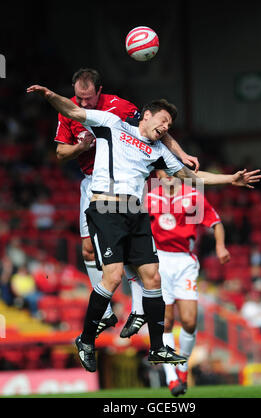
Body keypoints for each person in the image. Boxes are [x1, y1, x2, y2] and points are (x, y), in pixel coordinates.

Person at [26, 83, 261, 373]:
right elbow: (74, 110)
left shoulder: (159, 150)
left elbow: (190, 175)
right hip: (106, 208)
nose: (165, 127)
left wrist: (231, 180)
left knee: (152, 276)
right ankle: (86, 340)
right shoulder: (114, 124)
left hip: (135, 212)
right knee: (112, 277)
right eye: (162, 120)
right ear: (146, 115)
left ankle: (158, 347)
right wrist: (50, 97)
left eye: (169, 125)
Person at [53, 68, 200, 335]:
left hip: (126, 184)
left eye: (88, 98)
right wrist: (80, 148)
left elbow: (158, 131)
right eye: (78, 98)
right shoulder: (69, 110)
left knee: (131, 252)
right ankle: (107, 314)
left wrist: (181, 154)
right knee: (87, 250)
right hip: (93, 183)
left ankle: (139, 308)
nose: (83, 103)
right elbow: (60, 152)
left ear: (100, 91)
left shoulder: (120, 108)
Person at [144, 170, 230, 396]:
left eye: (171, 171)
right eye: (162, 171)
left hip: (185, 263)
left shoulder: (192, 196)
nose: (167, 175)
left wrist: (220, 246)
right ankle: (172, 378)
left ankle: (182, 368)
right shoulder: (149, 198)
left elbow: (216, 222)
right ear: (157, 175)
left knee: (190, 322)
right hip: (159, 261)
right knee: (165, 322)